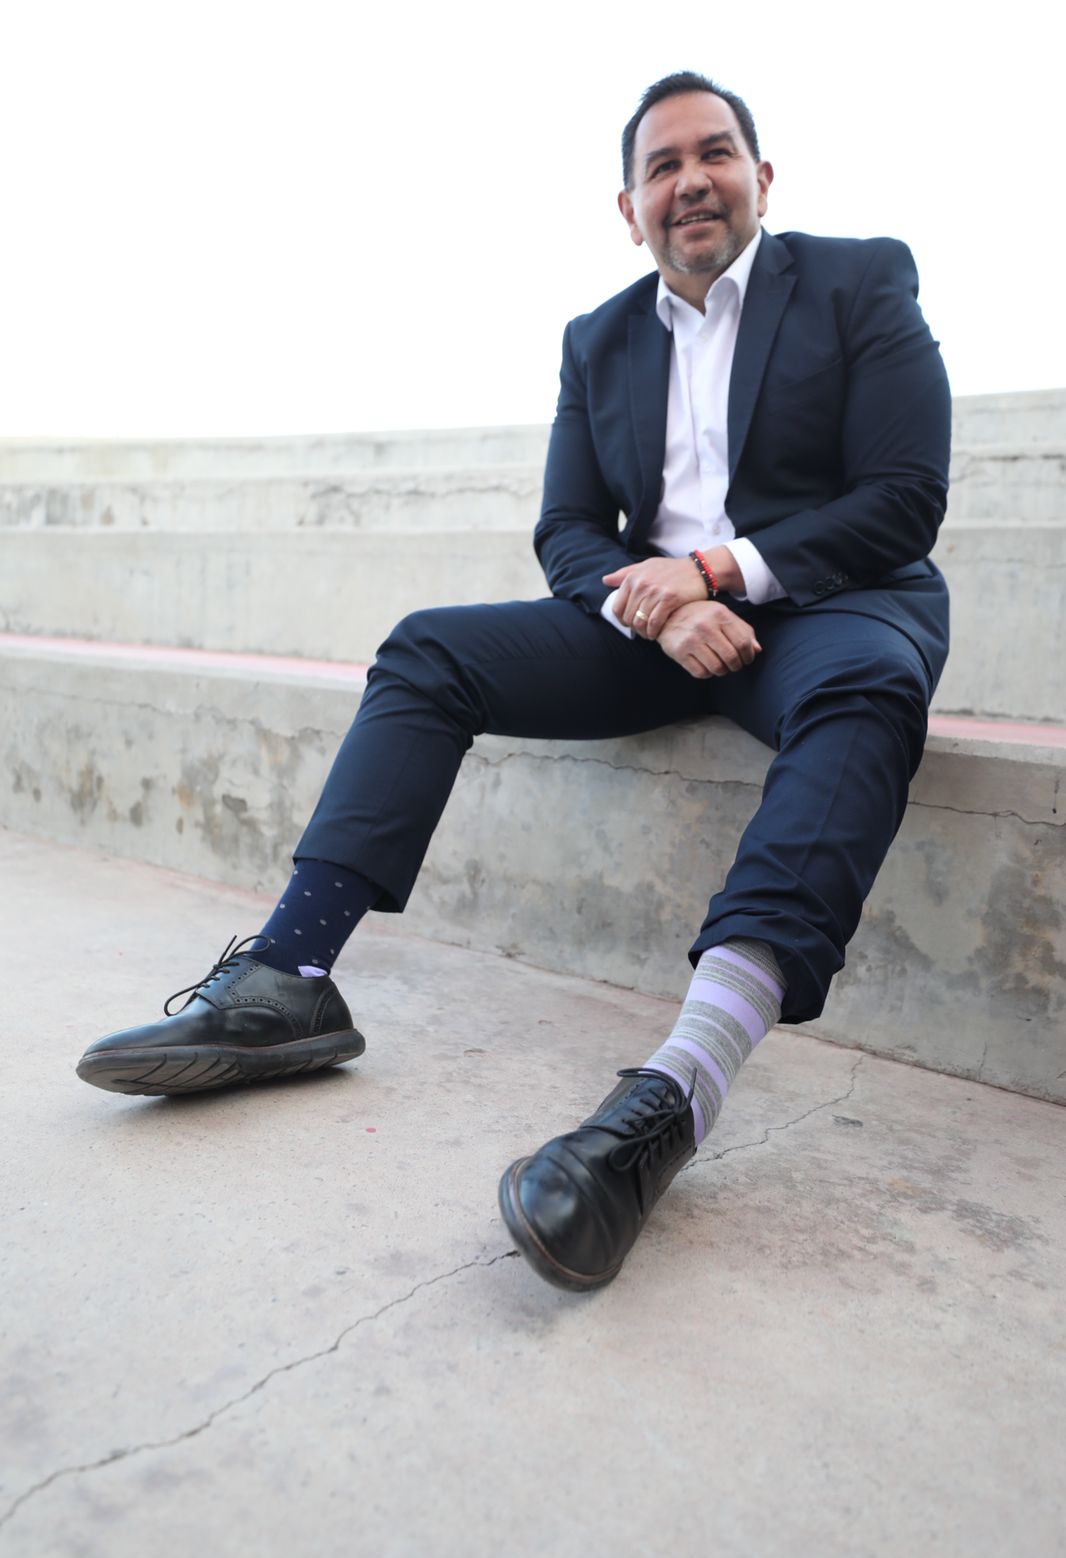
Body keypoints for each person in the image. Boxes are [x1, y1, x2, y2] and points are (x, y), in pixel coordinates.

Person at [77, 72, 951, 1293]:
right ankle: (289, 979)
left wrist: (711, 570)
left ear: (762, 176)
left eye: (714, 154)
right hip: (654, 628)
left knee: (869, 695)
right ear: (628, 208)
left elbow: (903, 498)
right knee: (428, 647)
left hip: (829, 610)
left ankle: (672, 1096)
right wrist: (656, 602)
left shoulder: (859, 281)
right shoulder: (599, 338)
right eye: (661, 166)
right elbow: (566, 528)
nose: (690, 180)